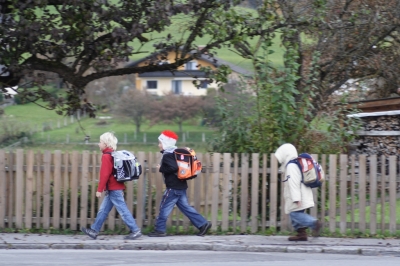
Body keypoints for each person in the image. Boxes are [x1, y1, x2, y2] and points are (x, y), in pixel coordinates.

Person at [148, 130, 211, 237]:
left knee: (164, 207)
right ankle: (203, 224)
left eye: (160, 143)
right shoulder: (175, 153)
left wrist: (161, 168)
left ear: (166, 143)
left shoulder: (168, 155)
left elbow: (173, 168)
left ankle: (159, 230)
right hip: (181, 186)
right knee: (186, 208)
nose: (159, 145)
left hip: (173, 188)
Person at [81, 132, 142, 240]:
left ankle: (135, 230)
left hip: (114, 189)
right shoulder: (114, 155)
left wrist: (99, 190)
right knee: (103, 210)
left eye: (100, 142)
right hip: (115, 188)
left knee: (123, 211)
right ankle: (94, 231)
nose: (99, 144)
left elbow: (105, 174)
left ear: (106, 144)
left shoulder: (106, 156)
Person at [274, 143, 321, 241]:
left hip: (299, 196)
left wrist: (296, 199)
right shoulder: (294, 164)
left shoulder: (291, 166)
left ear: (285, 154)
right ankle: (301, 234)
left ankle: (314, 223)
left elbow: (294, 183)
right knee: (295, 214)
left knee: (294, 214)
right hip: (302, 194)